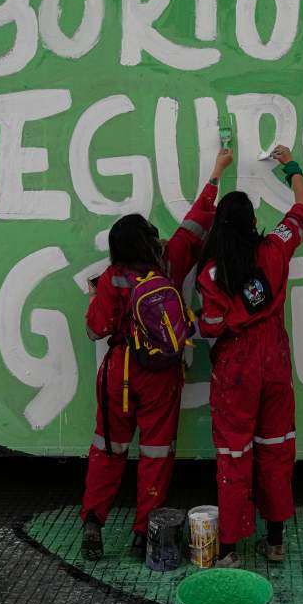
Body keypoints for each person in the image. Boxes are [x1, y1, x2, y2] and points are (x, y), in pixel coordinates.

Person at [80, 147, 234, 561]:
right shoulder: (169, 262)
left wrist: (96, 298)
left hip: (119, 373)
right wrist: (216, 173)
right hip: (161, 375)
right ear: (148, 240)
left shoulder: (112, 278)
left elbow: (95, 330)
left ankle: (93, 521)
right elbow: (195, 226)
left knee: (108, 448)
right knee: (156, 453)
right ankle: (142, 533)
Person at [195, 144, 303, 567]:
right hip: (274, 360)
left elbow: (210, 325)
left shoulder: (211, 273)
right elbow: (302, 209)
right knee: (276, 448)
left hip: (236, 369)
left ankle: (229, 548)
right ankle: (275, 540)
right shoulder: (275, 250)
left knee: (234, 454)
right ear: (252, 223)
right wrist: (291, 165)